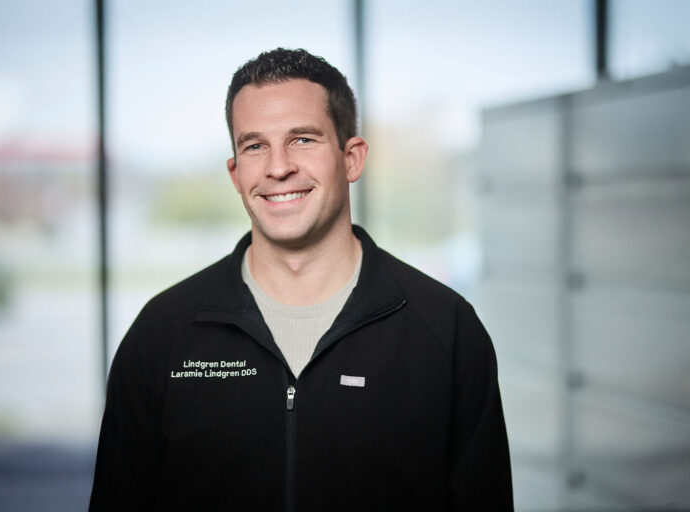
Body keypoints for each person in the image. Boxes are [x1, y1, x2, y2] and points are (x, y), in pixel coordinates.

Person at [89, 48, 512, 511]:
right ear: (235, 173)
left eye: (303, 139)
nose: (278, 167)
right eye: (255, 146)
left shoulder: (446, 329)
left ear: (351, 159)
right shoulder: (163, 332)